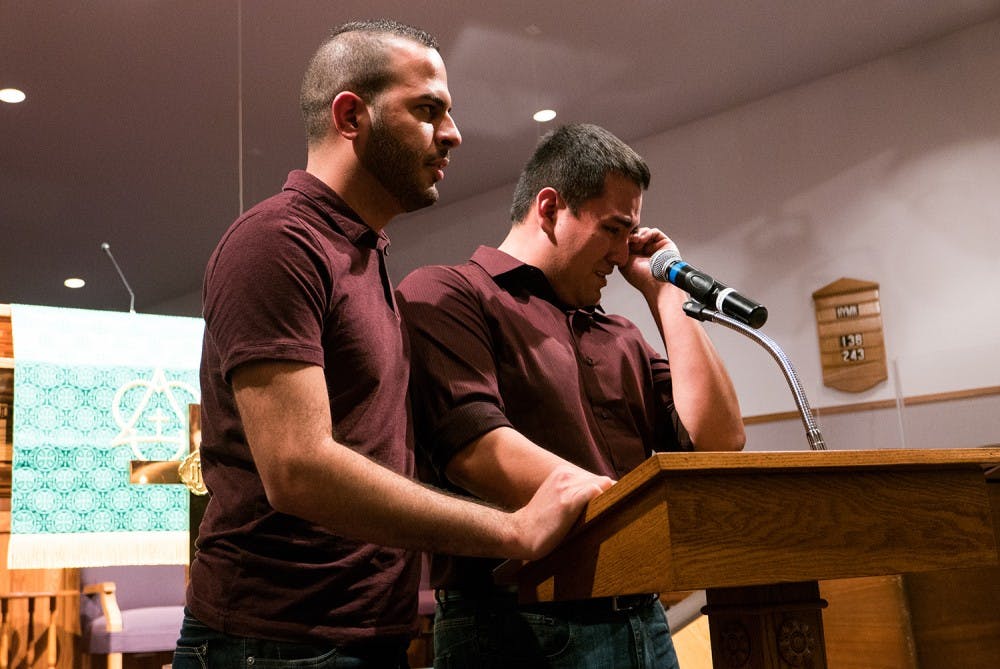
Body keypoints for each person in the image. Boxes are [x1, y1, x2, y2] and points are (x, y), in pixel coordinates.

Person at [173, 23, 612, 669]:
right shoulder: (277, 240)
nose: (454, 133)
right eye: (429, 109)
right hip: (272, 643)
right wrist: (512, 529)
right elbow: (299, 469)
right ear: (352, 114)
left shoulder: (363, 254)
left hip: (359, 635)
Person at [396, 123, 747, 668]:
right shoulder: (450, 293)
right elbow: (473, 449)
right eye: (613, 228)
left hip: (640, 615)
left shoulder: (620, 334)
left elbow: (720, 441)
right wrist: (618, 509)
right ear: (550, 207)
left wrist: (665, 293)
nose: (621, 251)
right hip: (513, 621)